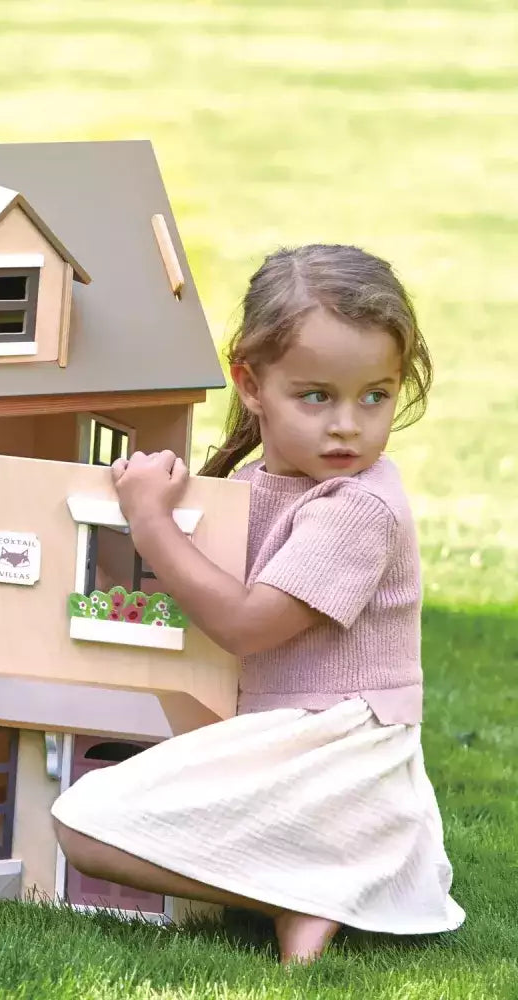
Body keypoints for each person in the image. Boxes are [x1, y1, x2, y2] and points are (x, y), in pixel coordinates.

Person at [50, 244, 465, 964]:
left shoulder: (357, 506)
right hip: (288, 732)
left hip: (333, 744)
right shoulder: (260, 482)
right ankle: (304, 883)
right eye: (318, 396)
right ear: (250, 382)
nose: (348, 425)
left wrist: (149, 522)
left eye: (376, 395)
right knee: (89, 814)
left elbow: (245, 624)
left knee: (81, 824)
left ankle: (298, 888)